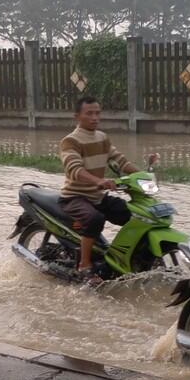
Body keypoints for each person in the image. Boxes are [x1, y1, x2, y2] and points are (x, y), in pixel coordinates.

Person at [59, 96, 138, 282]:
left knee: (132, 214)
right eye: (89, 113)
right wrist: (98, 181)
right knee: (95, 219)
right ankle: (84, 265)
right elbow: (74, 169)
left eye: (97, 113)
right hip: (74, 197)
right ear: (77, 116)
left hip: (97, 196)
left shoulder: (102, 138)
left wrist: (143, 176)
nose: (95, 117)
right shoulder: (70, 141)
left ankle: (123, 257)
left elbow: (121, 161)